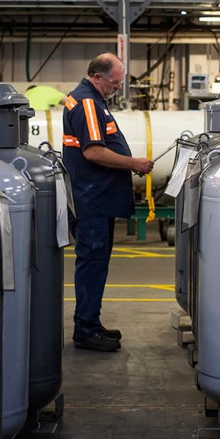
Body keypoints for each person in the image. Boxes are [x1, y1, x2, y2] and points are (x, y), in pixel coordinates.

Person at [62, 53, 154, 352]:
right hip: (93, 200)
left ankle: (90, 321)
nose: (118, 87)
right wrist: (133, 163)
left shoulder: (89, 99)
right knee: (92, 266)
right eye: (114, 82)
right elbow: (94, 152)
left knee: (95, 265)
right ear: (96, 76)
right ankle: (86, 330)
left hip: (94, 198)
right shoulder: (88, 103)